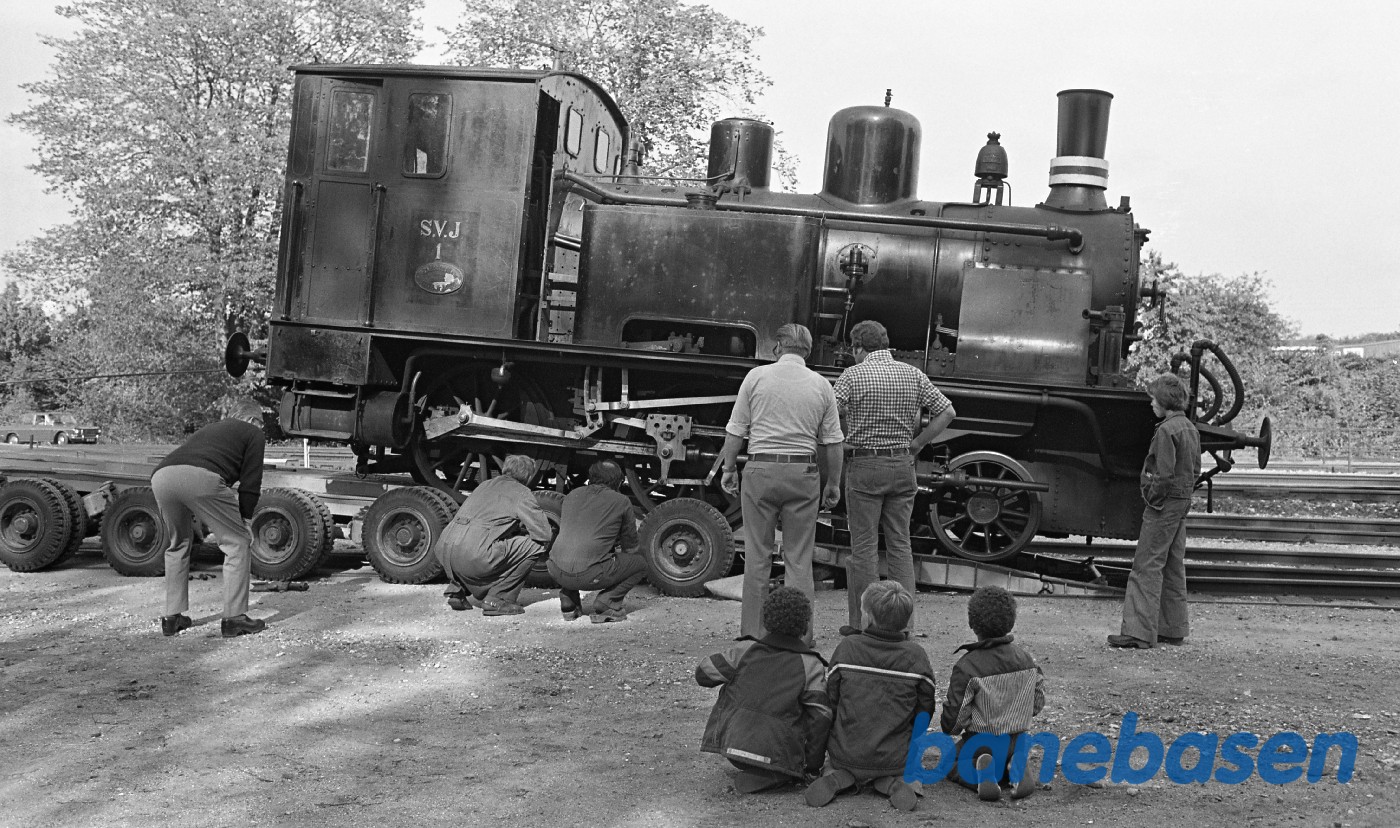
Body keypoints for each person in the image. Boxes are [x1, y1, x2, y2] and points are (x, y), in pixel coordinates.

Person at [720, 323, 844, 645]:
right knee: (798, 559)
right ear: (808, 351)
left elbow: (736, 429)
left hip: (761, 470)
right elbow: (833, 442)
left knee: (757, 556)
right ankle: (800, 636)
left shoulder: (756, 377)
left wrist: (729, 468)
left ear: (777, 347)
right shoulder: (822, 385)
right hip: (803, 473)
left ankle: (753, 633)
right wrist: (833, 483)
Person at [832, 319, 955, 635]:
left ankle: (865, 625)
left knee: (864, 548)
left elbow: (829, 413)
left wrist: (843, 440)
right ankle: (904, 625)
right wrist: (917, 443)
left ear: (858, 347)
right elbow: (947, 412)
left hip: (865, 467)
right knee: (900, 544)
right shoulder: (913, 374)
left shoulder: (852, 376)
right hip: (902, 465)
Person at [805, 581, 936, 811]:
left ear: (868, 617)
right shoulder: (916, 656)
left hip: (845, 754)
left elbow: (831, 701)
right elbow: (925, 709)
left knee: (836, 764)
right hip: (895, 759)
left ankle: (837, 777)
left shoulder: (847, 648)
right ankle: (895, 782)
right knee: (909, 769)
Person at [696, 586, 832, 794]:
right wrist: (813, 766)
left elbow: (703, 675)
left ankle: (763, 770)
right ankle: (777, 774)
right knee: (814, 707)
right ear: (805, 626)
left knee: (733, 684)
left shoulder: (745, 650)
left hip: (733, 748)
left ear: (766, 621)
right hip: (780, 754)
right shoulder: (810, 665)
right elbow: (820, 719)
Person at [151, 397, 266, 638]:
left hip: (162, 477)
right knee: (237, 543)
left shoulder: (211, 428)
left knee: (178, 544)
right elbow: (251, 482)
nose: (262, 428)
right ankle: (235, 618)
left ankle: (172, 617)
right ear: (251, 419)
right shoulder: (253, 433)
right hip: (201, 478)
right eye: (261, 423)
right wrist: (245, 520)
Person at [1108, 373, 1201, 649]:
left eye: (1154, 399)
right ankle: (1172, 628)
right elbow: (1195, 470)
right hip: (1181, 502)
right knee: (1172, 564)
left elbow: (1163, 475)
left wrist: (1152, 497)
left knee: (1146, 565)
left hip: (1164, 504)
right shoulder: (1190, 428)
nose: (1151, 403)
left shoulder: (1165, 431)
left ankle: (1138, 632)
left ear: (1164, 402)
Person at [941, 585, 1045, 801]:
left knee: (949, 762)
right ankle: (1015, 768)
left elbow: (955, 721)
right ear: (1011, 622)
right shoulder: (1027, 660)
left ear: (971, 623)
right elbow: (1036, 704)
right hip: (1017, 741)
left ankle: (981, 776)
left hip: (981, 743)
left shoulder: (968, 666)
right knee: (1004, 759)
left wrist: (951, 726)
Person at [435, 454, 554, 616]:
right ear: (529, 476)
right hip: (473, 554)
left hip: (445, 548)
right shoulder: (521, 492)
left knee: (480, 544)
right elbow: (544, 534)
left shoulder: (485, 484)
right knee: (536, 546)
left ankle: (457, 589)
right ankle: (499, 599)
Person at [548, 458, 648, 623]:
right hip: (588, 574)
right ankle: (607, 602)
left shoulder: (572, 495)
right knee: (640, 565)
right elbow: (630, 547)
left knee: (575, 550)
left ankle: (568, 599)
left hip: (555, 569)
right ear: (619, 481)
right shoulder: (621, 501)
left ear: (591, 477)